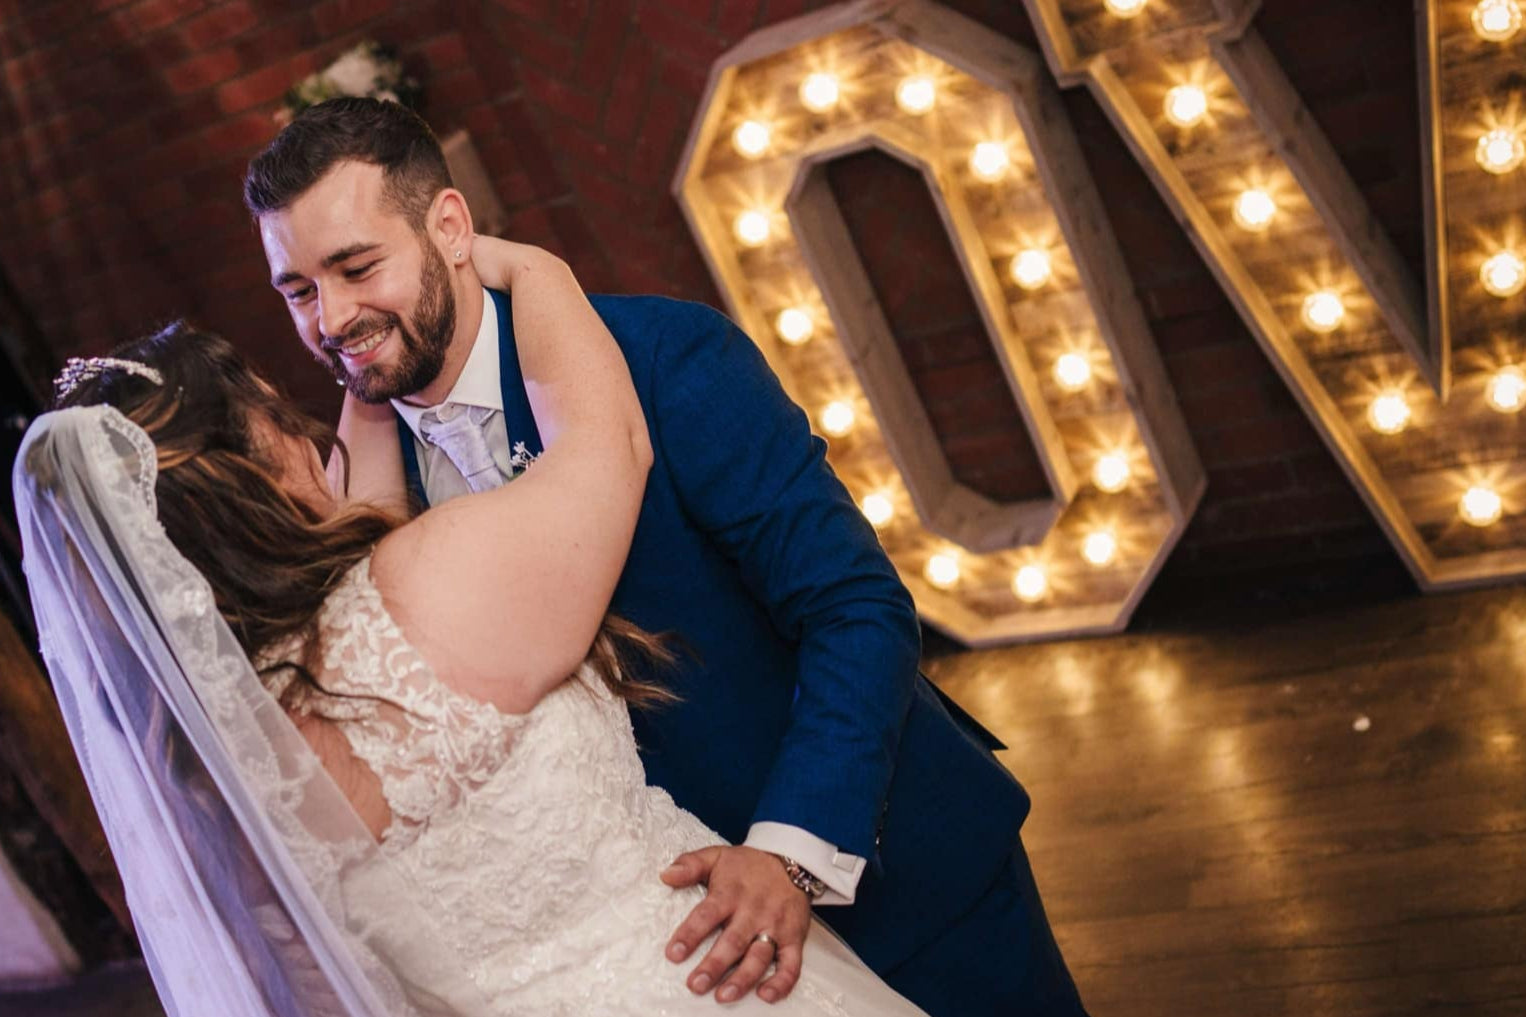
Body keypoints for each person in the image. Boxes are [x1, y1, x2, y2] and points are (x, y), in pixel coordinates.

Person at [242, 97, 1086, 1017]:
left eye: (357, 267)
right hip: (658, 960)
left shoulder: (664, 355)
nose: (331, 318)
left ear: (449, 227)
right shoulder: (360, 485)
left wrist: (789, 849)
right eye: (296, 291)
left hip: (894, 881)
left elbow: (855, 608)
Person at [17, 239, 931, 1015]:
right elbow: (608, 443)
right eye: (273, 409)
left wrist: (370, 350)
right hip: (694, 980)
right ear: (252, 466)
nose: (307, 430)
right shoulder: (422, 585)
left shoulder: (209, 753)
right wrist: (527, 266)